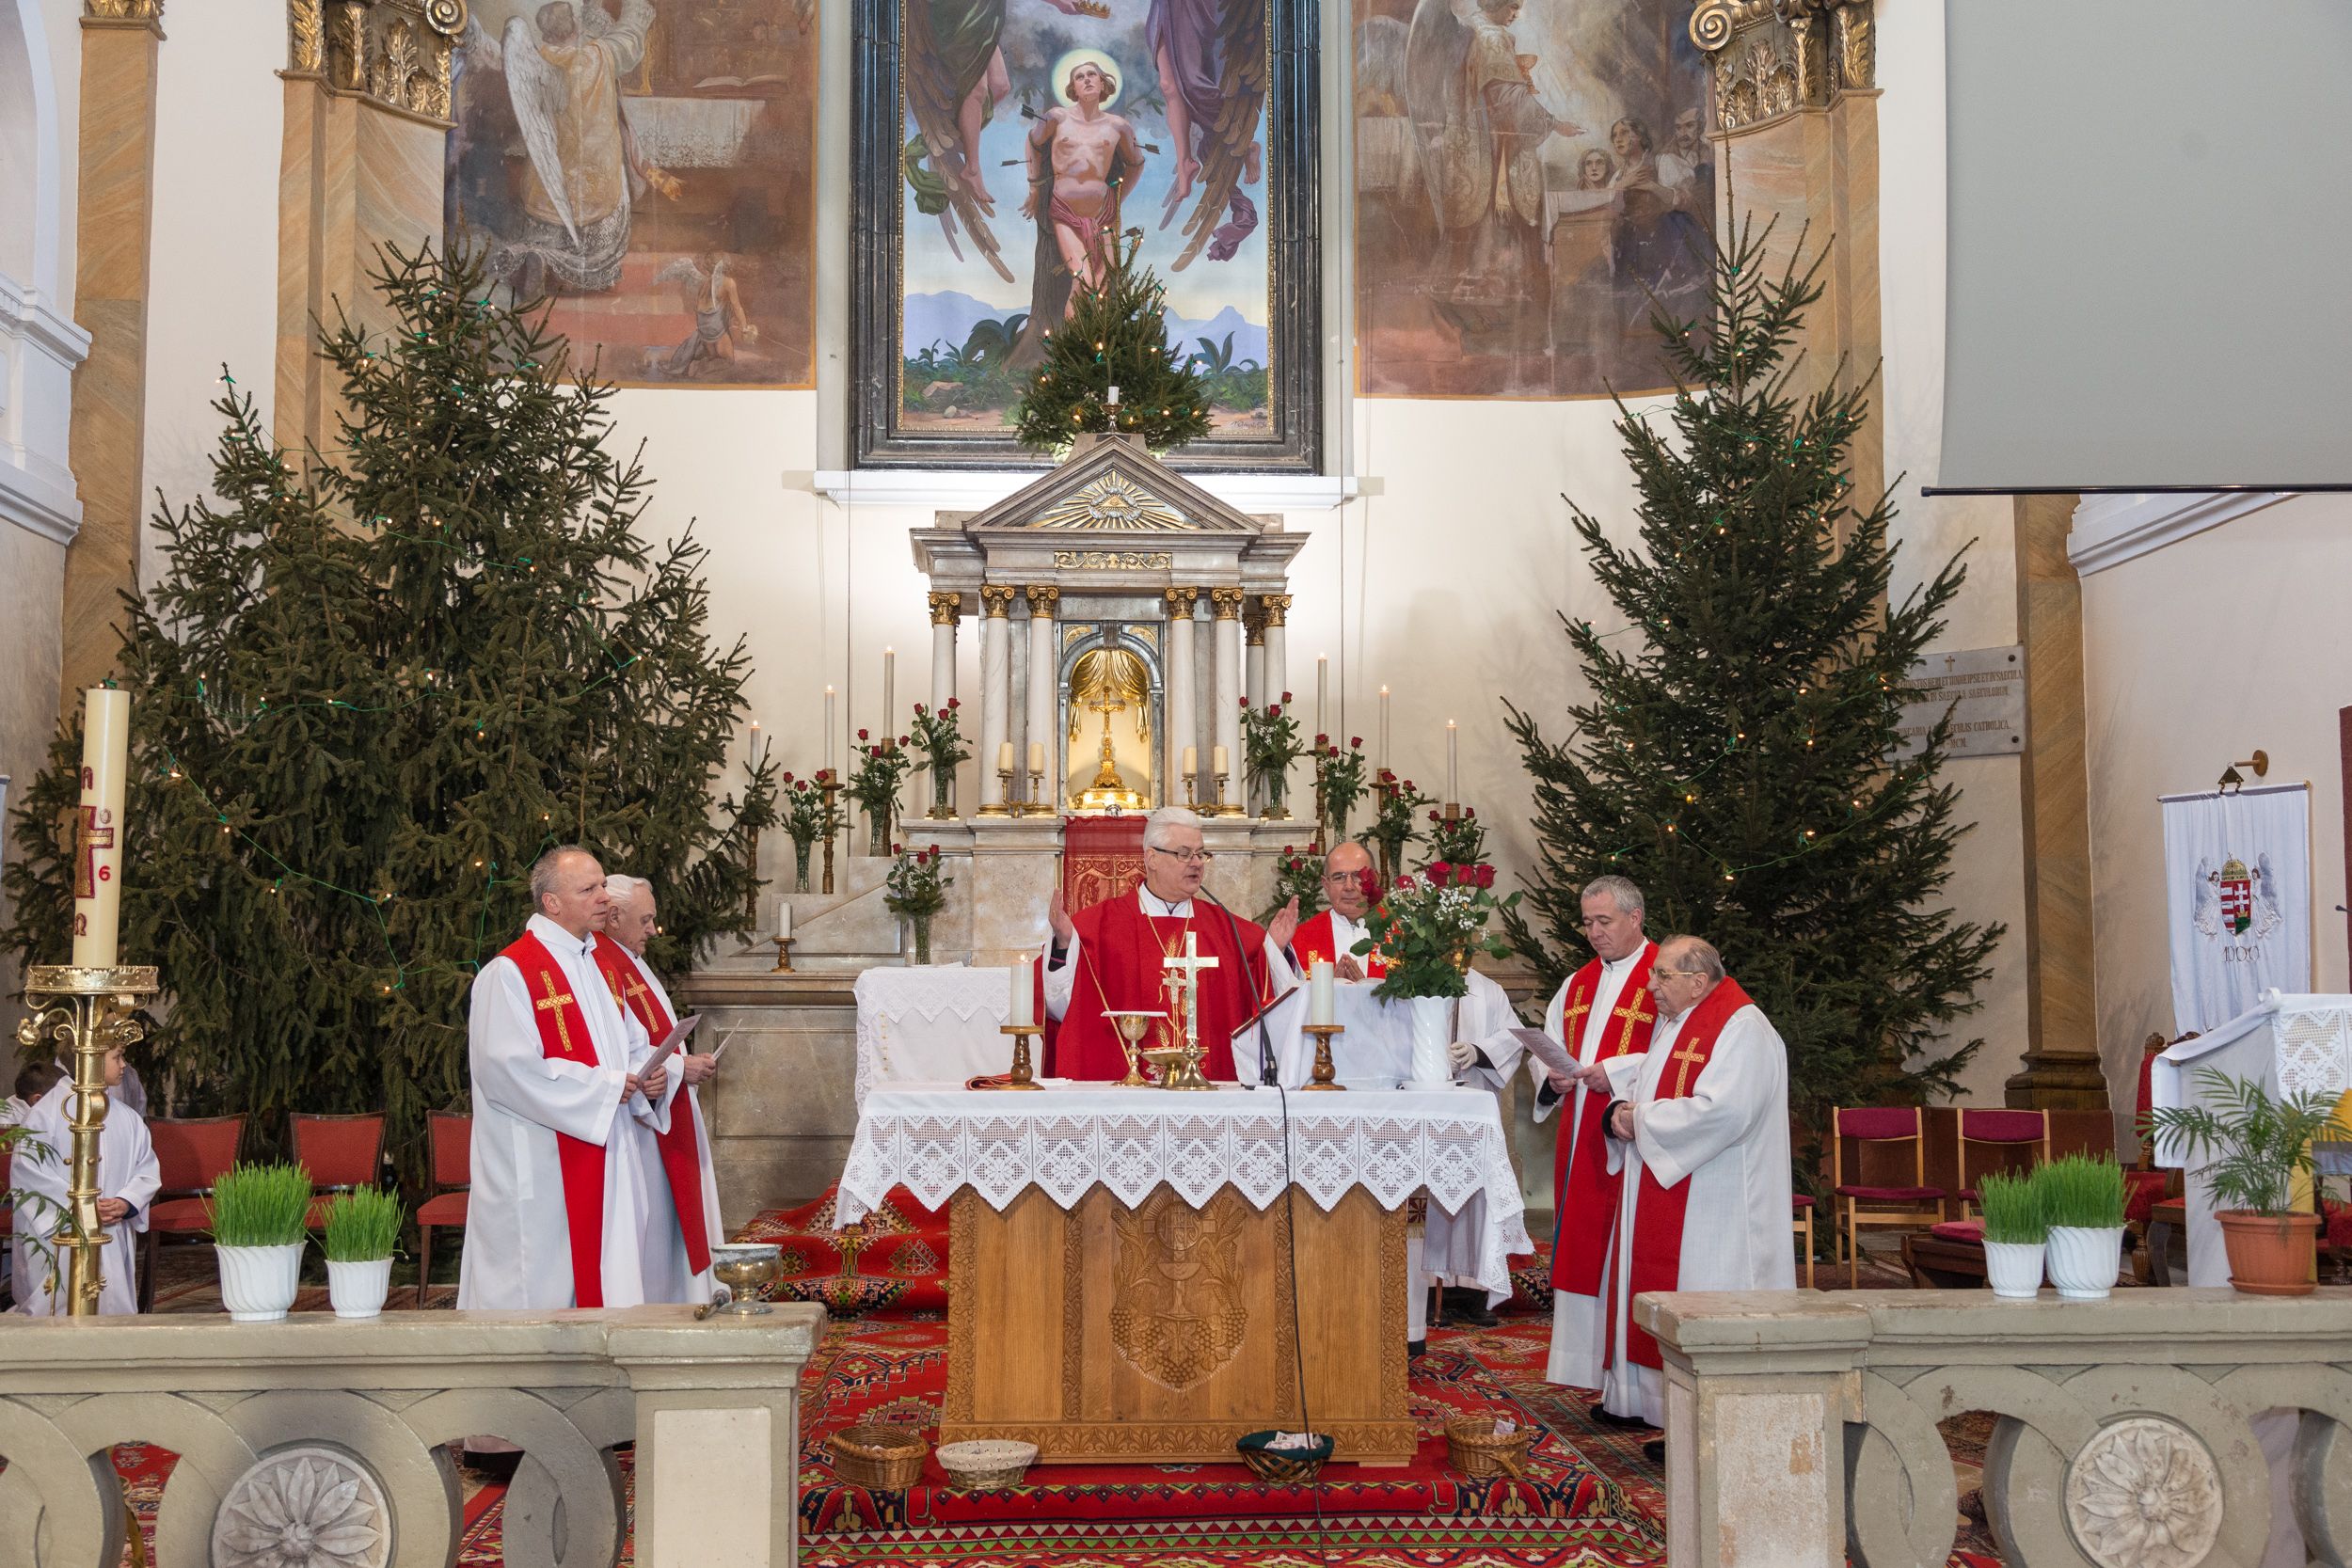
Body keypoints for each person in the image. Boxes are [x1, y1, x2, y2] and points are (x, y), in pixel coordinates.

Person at [1573, 934, 1792, 1456]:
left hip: (1718, 1206)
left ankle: (1715, 1431)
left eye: (1661, 976)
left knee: (1709, 1301)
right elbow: (1653, 1082)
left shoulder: (1743, 1029)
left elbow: (1723, 1111)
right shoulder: (1683, 1022)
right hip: (1679, 1185)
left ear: (1698, 982)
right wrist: (1626, 1113)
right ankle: (1676, 1418)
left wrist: (1635, 1120)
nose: (1649, 985)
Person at [457, 845, 683, 1314]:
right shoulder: (510, 973)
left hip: (607, 1145)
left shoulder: (598, 965)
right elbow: (507, 1071)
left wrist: (648, 1080)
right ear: (552, 904)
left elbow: (631, 1045)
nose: (605, 897)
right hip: (540, 1160)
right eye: (589, 889)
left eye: (603, 884)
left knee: (610, 1270)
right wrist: (604, 1087)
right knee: (541, 1280)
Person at [1045, 806, 1300, 1082]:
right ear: (1151, 858)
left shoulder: (1228, 929)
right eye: (1184, 853)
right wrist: (1063, 945)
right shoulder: (1096, 926)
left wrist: (1275, 950)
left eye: (1201, 854)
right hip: (1126, 1093)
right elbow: (1060, 1007)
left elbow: (1271, 999)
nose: (1197, 863)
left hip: (1209, 1089)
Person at [1532, 874, 1660, 1408]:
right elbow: (1550, 1041)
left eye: (1604, 921)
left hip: (1634, 1141)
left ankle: (1639, 1392)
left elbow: (1680, 1055)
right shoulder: (1578, 983)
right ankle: (1606, 1386)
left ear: (1635, 918)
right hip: (1582, 1136)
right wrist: (1553, 1076)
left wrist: (1615, 1070)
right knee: (1590, 1251)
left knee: (1629, 1257)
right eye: (1587, 922)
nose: (1594, 933)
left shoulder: (1667, 974)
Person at [596, 874, 722, 1305]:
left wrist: (680, 1064)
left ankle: (684, 1298)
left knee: (673, 1219)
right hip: (642, 1118)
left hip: (665, 1106)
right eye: (645, 920)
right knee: (652, 1227)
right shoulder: (602, 964)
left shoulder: (630, 960)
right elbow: (616, 1050)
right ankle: (662, 1305)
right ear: (613, 918)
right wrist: (676, 1067)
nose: (653, 929)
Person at [8, 1050, 158, 1317]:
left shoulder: (128, 1117)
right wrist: (80, 1208)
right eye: (117, 1057)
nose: (124, 1065)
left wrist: (127, 1202)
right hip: (59, 1233)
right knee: (55, 1311)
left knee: (111, 1306)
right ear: (90, 1058)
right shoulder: (45, 1114)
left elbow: (146, 1168)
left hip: (111, 1230)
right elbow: (27, 1172)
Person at [1021, 59, 1148, 315]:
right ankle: (1072, 350)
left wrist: (1118, 200)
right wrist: (1034, 188)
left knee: (1099, 286)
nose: (1087, 79)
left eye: (1092, 75)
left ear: (1103, 84)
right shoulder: (1057, 117)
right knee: (1084, 278)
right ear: (1073, 89)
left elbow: (1136, 163)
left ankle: (1080, 352)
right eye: (1080, 77)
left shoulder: (1118, 127)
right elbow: (1032, 144)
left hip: (1105, 215)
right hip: (1066, 214)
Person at [1290, 840, 1385, 979]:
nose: (1348, 886)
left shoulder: (1402, 934)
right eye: (1338, 877)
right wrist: (1330, 989)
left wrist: (1366, 990)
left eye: (1358, 876)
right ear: (1326, 884)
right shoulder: (1301, 938)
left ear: (1376, 879)